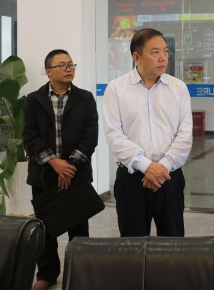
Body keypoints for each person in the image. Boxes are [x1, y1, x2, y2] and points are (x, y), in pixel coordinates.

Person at [104, 28, 192, 237]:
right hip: (132, 179)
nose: (163, 57)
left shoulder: (178, 88)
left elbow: (185, 133)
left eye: (165, 51)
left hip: (169, 178)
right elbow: (114, 136)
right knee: (133, 244)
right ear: (137, 57)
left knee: (172, 244)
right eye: (155, 52)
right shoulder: (116, 89)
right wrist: (146, 166)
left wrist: (161, 168)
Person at [23, 49, 99, 290]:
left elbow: (90, 136)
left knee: (78, 226)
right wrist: (54, 163)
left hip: (76, 174)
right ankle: (47, 274)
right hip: (44, 175)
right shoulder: (34, 100)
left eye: (71, 64)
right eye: (62, 65)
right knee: (46, 226)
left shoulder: (85, 98)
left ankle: (80, 271)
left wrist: (69, 166)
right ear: (49, 72)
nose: (69, 69)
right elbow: (29, 136)